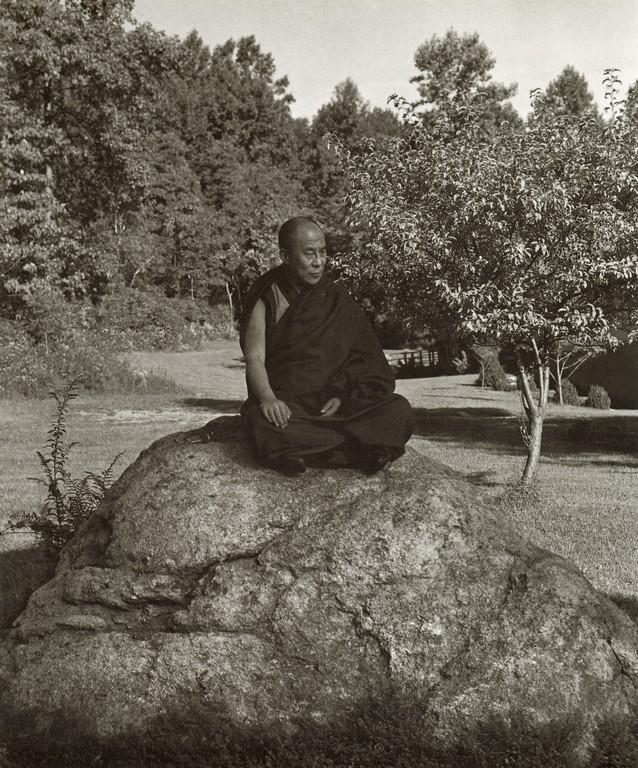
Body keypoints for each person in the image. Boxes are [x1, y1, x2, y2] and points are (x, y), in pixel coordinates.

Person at [239, 216, 413, 476]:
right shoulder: (270, 296)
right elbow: (254, 357)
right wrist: (268, 399)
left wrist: (341, 396)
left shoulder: (335, 298)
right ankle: (358, 449)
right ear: (286, 256)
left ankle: (302, 451)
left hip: (331, 406)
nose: (318, 262)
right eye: (309, 254)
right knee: (260, 420)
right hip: (289, 405)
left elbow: (365, 361)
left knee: (398, 410)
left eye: (322, 252)